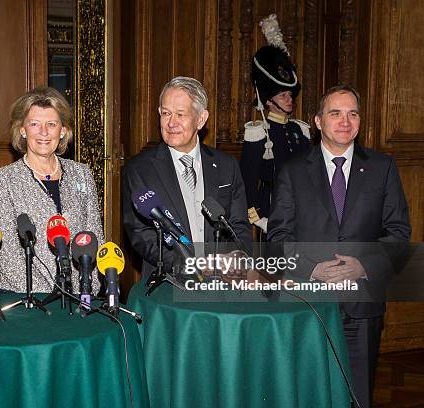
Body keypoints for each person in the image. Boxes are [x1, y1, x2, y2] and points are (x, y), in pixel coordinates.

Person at [267, 85, 411, 408]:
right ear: (318, 121)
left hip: (362, 307)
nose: (345, 121)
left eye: (353, 113)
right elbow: (277, 240)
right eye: (335, 113)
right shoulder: (292, 172)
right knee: (308, 395)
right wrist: (312, 268)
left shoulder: (382, 168)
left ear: (359, 122)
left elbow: (399, 233)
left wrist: (363, 265)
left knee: (357, 397)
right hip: (308, 305)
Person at [122, 76, 251, 280]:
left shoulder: (227, 165)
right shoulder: (140, 168)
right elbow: (141, 233)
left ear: (201, 119)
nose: (171, 122)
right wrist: (189, 266)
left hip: (223, 283)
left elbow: (239, 225)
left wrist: (236, 258)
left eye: (180, 114)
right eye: (165, 113)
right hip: (168, 283)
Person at [0, 86, 104, 293]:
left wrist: (88, 287)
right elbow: (8, 254)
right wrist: (46, 295)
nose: (43, 132)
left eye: (51, 124)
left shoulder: (82, 174)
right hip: (26, 295)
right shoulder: (3, 179)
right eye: (34, 124)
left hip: (80, 291)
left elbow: (94, 235)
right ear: (22, 130)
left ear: (63, 131)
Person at [240, 14, 310, 234]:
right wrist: (257, 217)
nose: (289, 99)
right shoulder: (259, 133)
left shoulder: (300, 129)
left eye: (290, 94)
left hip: (302, 211)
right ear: (268, 100)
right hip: (271, 209)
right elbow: (248, 179)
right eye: (282, 96)